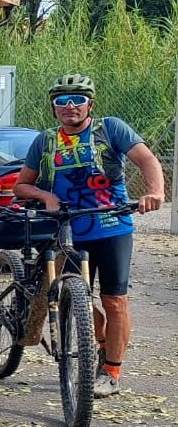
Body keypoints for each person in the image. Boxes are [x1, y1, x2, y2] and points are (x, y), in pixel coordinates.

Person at [13, 73, 166, 397]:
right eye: (62, 101)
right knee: (72, 296)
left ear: (90, 104)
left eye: (77, 100)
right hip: (69, 230)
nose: (70, 106)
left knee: (114, 301)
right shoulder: (46, 140)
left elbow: (147, 159)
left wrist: (155, 191)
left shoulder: (111, 128)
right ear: (54, 108)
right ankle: (99, 342)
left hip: (112, 227)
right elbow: (21, 185)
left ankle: (111, 371)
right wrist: (46, 197)